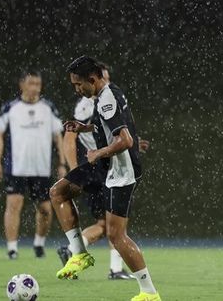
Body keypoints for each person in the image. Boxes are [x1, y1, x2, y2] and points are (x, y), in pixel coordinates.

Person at [50, 56, 161, 301]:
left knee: (116, 236)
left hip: (121, 172)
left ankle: (149, 293)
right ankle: (79, 253)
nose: (77, 90)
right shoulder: (105, 94)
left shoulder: (107, 99)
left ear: (92, 79)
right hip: (105, 167)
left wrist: (97, 152)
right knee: (58, 192)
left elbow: (125, 140)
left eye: (78, 85)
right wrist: (85, 128)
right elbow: (112, 127)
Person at [0, 69, 67, 259]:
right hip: (16, 167)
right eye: (31, 83)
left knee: (45, 209)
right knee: (14, 205)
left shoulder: (48, 108)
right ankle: (12, 249)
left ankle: (39, 243)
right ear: (22, 85)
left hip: (41, 168)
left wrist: (62, 163)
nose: (35, 88)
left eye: (38, 84)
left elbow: (58, 136)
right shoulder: (10, 108)